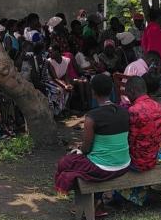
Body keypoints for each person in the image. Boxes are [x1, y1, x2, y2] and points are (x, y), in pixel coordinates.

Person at [54, 74, 131, 207]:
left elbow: (86, 149)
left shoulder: (92, 117)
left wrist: (78, 150)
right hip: (124, 164)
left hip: (103, 168)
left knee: (65, 162)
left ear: (93, 92)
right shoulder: (125, 112)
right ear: (111, 90)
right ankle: (97, 200)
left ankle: (93, 202)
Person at [124, 76, 161, 171]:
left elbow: (130, 141)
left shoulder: (133, 111)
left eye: (127, 93)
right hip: (153, 159)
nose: (127, 97)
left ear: (132, 91)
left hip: (137, 163)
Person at [47, 44, 74, 116]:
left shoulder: (66, 60)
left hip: (59, 80)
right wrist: (65, 85)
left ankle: (65, 109)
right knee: (60, 90)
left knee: (70, 88)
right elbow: (54, 78)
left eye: (51, 52)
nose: (49, 54)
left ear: (57, 52)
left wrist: (68, 84)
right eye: (49, 52)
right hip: (51, 81)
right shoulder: (50, 62)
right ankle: (58, 112)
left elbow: (66, 75)